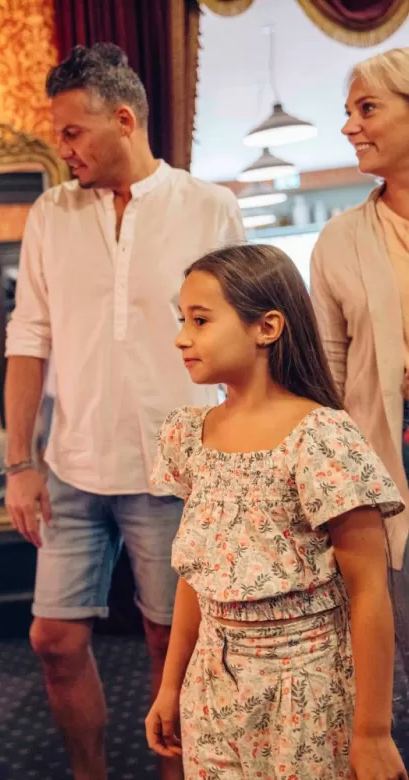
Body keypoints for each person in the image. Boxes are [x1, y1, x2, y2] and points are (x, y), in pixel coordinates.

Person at [4, 43, 244, 780]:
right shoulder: (50, 213)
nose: (62, 148)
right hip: (72, 467)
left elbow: (245, 335)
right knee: (53, 640)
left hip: (176, 471)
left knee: (171, 646)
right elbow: (28, 337)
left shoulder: (209, 206)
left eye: (73, 132)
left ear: (124, 118)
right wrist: (18, 462)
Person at [146, 243, 406, 779]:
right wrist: (171, 684)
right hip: (212, 688)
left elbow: (369, 591)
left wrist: (373, 732)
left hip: (305, 690)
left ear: (266, 327)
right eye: (181, 319)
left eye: (200, 319)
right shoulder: (190, 435)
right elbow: (198, 575)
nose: (181, 337)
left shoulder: (321, 438)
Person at [310, 48, 409, 689]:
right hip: (392, 480)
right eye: (347, 112)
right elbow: (328, 379)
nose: (349, 126)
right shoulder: (340, 239)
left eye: (367, 108)